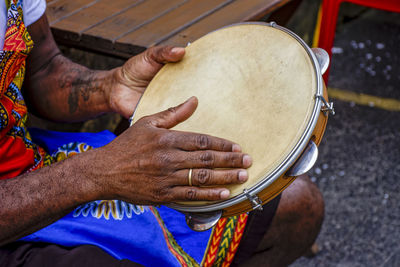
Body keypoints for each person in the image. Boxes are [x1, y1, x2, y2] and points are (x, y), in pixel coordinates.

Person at [0, 0, 324, 266]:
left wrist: (109, 87)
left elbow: (43, 69)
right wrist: (95, 173)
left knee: (297, 208)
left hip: (31, 163)